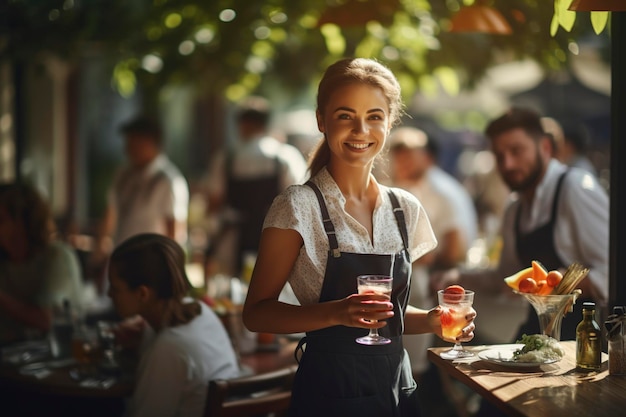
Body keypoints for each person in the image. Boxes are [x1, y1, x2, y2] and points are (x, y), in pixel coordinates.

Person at [242, 57, 476, 417]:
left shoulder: (405, 208)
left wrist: (431, 320)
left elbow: (389, 317)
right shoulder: (296, 206)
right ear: (322, 120)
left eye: (374, 116)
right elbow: (257, 314)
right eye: (345, 116)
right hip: (329, 392)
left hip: (396, 388)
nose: (361, 130)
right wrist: (337, 312)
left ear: (389, 122)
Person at [432, 107, 609, 343]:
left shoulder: (575, 188)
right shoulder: (515, 207)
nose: (508, 164)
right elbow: (506, 276)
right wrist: (457, 277)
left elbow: (613, 271)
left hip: (585, 336)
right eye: (499, 155)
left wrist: (563, 282)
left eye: (517, 151)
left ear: (545, 147)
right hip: (537, 332)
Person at [107, 233, 240, 417]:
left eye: (115, 288)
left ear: (142, 294)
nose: (108, 294)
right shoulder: (201, 311)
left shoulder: (168, 348)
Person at [204, 96, 308, 277]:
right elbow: (299, 201)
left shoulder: (225, 158)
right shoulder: (285, 156)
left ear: (241, 125)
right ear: (266, 124)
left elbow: (214, 201)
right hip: (274, 236)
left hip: (233, 239)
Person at [96, 115, 190, 266]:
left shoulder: (168, 181)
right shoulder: (123, 175)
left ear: (148, 142)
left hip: (150, 266)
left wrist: (169, 268)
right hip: (121, 260)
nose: (126, 149)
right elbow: (111, 213)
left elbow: (175, 233)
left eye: (132, 142)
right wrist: (99, 250)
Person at [0, 182, 84, 345]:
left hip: (53, 361)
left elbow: (48, 320)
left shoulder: (57, 257)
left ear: (23, 222)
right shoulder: (4, 260)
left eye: (1, 220)